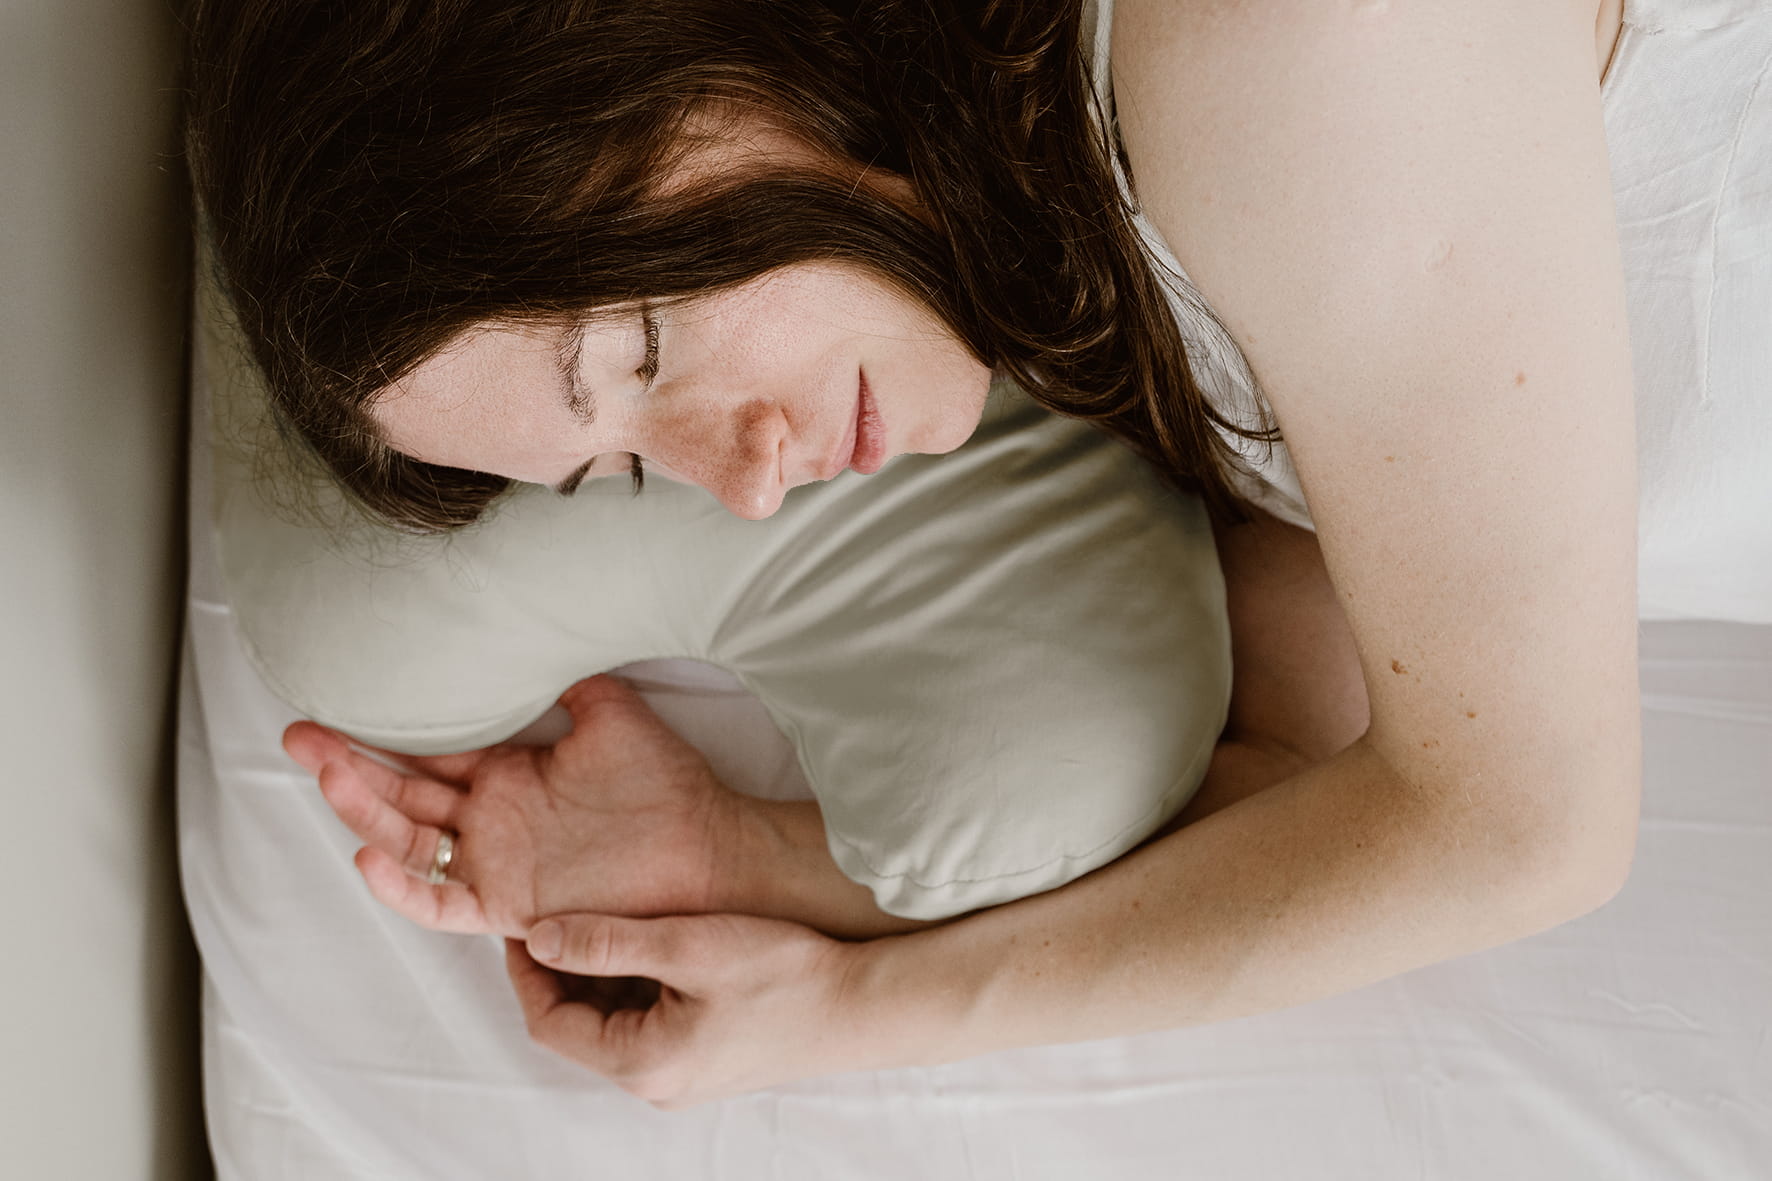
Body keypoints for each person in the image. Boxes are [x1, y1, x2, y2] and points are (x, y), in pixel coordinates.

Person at [188, 0, 1771, 1107]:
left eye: (649, 346)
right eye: (628, 469)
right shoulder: (1046, 230)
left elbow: (1521, 827)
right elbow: (1314, 766)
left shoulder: (1282, 53)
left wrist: (847, 1014)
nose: (749, 485)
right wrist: (749, 862)